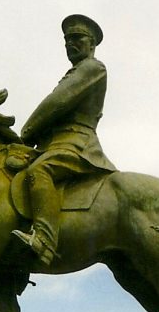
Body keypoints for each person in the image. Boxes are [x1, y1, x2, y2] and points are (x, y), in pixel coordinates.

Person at [11, 14, 116, 266]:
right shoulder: (76, 71)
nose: (71, 44)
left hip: (76, 144)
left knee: (39, 171)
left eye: (77, 38)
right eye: (67, 40)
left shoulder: (93, 68)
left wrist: (26, 133)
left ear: (92, 44)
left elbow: (57, 103)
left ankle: (44, 242)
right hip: (52, 144)